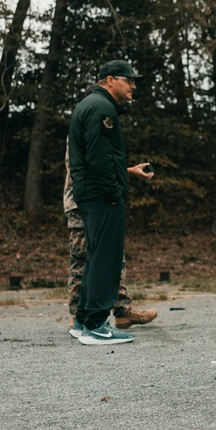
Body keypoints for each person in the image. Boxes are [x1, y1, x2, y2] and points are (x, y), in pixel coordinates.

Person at [68, 60, 154, 345]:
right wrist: (114, 193)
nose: (133, 85)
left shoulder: (90, 104)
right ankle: (96, 325)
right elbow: (99, 159)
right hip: (102, 196)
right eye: (128, 80)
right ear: (109, 80)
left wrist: (123, 174)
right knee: (107, 260)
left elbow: (98, 156)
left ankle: (82, 321)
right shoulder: (103, 108)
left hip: (92, 194)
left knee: (96, 258)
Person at [64, 138, 157, 339]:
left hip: (97, 202)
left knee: (113, 257)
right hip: (81, 204)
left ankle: (122, 310)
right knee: (82, 260)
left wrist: (129, 171)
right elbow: (91, 166)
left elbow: (102, 163)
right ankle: (78, 317)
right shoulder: (84, 126)